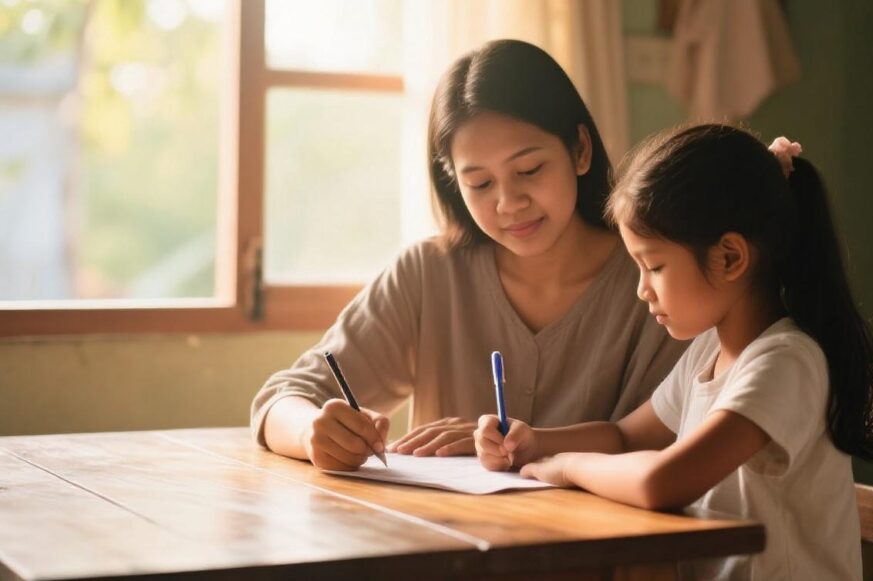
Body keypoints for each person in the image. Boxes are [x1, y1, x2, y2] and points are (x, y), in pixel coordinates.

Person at [250, 39, 687, 472]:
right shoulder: (429, 273)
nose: (508, 202)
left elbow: (674, 438)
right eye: (479, 183)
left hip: (609, 541)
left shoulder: (658, 278)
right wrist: (313, 433)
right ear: (453, 183)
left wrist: (529, 446)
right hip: (444, 538)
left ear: (580, 150)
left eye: (529, 170)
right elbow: (282, 398)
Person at [474, 124, 873, 580]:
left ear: (730, 257)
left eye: (654, 266)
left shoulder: (785, 362)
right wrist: (536, 442)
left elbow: (662, 482)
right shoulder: (710, 349)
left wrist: (566, 466)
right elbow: (626, 437)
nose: (642, 291)